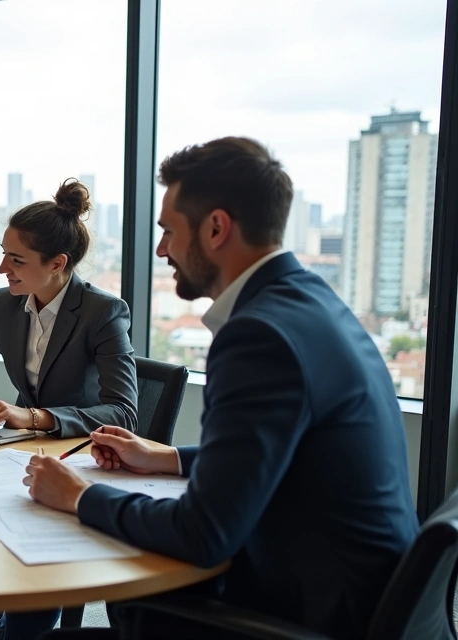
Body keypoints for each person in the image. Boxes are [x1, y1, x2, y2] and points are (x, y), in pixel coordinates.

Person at [24, 138, 419, 639]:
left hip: (313, 615)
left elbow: (204, 535)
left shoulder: (258, 336)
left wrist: (81, 496)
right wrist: (168, 459)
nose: (162, 248)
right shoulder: (309, 299)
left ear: (216, 227)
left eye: (168, 230)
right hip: (363, 591)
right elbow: (283, 451)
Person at [0, 179, 139, 640]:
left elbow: (124, 412)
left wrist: (36, 417)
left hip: (79, 456)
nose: (1, 269)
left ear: (57, 264)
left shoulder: (102, 312)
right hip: (15, 452)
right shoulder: (4, 304)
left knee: (26, 549)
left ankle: (20, 632)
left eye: (16, 260)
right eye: (3, 253)